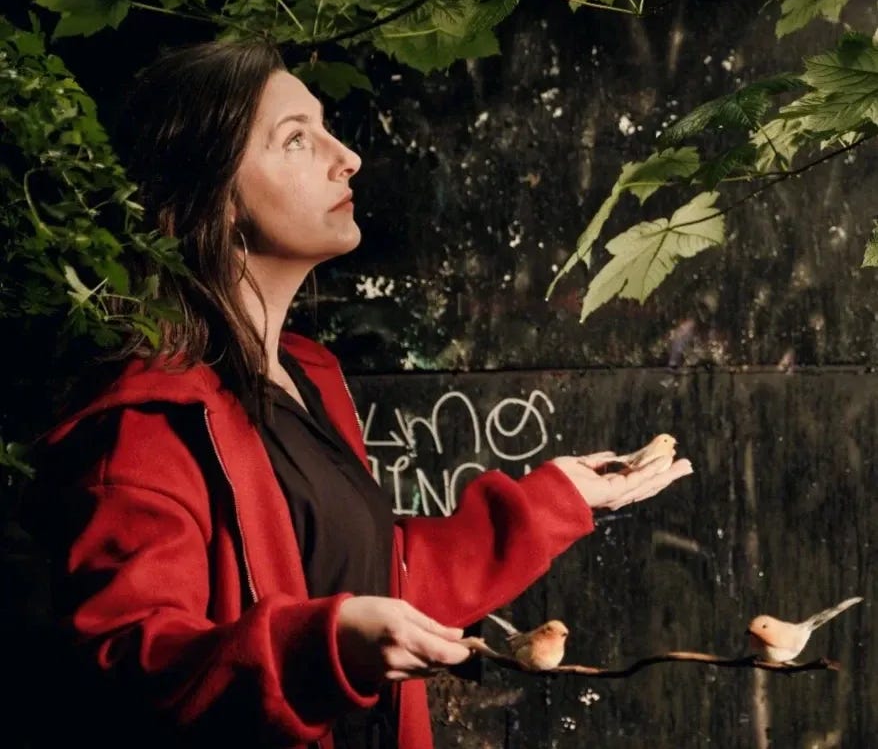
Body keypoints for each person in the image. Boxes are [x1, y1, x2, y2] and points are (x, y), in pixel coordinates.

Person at [28, 40, 694, 749]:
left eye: (325, 127)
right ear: (215, 200)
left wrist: (552, 500)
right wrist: (325, 646)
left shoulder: (309, 377)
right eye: (296, 139)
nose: (346, 156)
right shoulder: (145, 424)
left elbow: (375, 584)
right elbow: (128, 670)